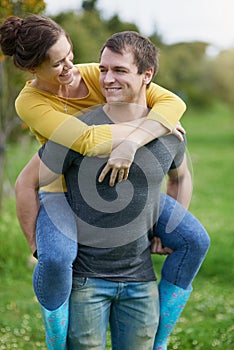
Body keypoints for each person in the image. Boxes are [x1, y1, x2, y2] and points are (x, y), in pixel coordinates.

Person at [0, 14, 187, 349]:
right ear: (33, 70)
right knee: (56, 257)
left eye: (70, 55)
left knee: (195, 241)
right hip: (61, 182)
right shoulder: (29, 102)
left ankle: (160, 336)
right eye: (58, 64)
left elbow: (173, 102)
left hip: (117, 185)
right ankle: (56, 335)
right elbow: (87, 140)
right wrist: (153, 124)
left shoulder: (93, 73)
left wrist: (142, 132)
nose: (71, 68)